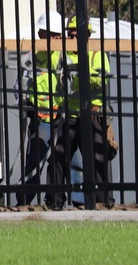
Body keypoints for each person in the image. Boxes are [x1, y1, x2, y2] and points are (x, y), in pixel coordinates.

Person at [46, 15, 113, 208]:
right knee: (58, 156)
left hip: (91, 114)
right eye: (71, 35)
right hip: (69, 115)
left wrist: (80, 73)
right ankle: (55, 201)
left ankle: (103, 202)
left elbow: (102, 78)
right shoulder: (61, 52)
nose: (74, 39)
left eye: (78, 35)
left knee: (98, 158)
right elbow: (47, 66)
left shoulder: (95, 53)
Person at [17, 11, 65, 203]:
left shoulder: (62, 56)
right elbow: (21, 85)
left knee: (60, 160)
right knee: (35, 162)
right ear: (41, 35)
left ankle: (55, 200)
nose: (55, 39)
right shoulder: (31, 58)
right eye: (51, 35)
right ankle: (24, 201)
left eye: (57, 36)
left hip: (61, 115)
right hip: (40, 117)